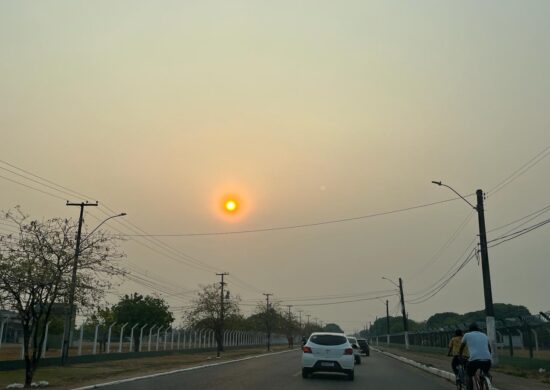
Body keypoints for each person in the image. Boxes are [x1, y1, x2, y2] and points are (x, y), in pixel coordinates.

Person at [459, 323, 492, 390]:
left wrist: (460, 356)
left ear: (469, 330)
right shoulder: (484, 335)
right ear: (478, 329)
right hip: (487, 360)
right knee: (484, 373)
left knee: (469, 375)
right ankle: (485, 381)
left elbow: (461, 347)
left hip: (474, 360)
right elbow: (489, 349)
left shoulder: (467, 335)